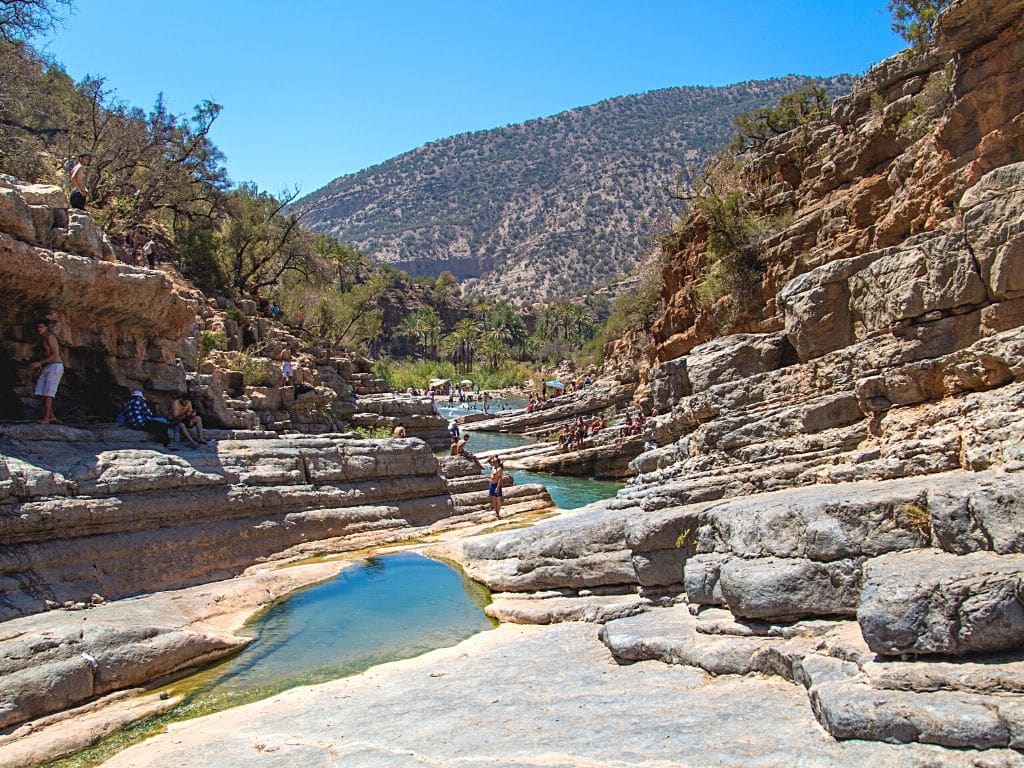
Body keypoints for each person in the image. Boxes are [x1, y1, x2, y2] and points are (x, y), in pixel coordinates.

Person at [30, 320, 63, 424]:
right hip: (47, 367)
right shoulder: (42, 338)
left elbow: (55, 355)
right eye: (38, 327)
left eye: (41, 327)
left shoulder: (50, 337)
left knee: (48, 394)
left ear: (46, 328)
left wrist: (39, 363)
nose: (39, 329)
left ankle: (46, 419)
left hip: (55, 367)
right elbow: (46, 354)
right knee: (40, 392)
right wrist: (41, 365)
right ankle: (51, 416)